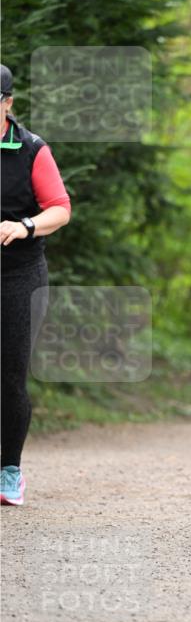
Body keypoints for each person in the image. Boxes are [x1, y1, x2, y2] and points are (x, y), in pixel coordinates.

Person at [1, 63, 71, 506]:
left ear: (7, 103)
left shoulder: (30, 149)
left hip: (18, 275)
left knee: (8, 375)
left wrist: (24, 225)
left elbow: (59, 209)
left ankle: (9, 470)